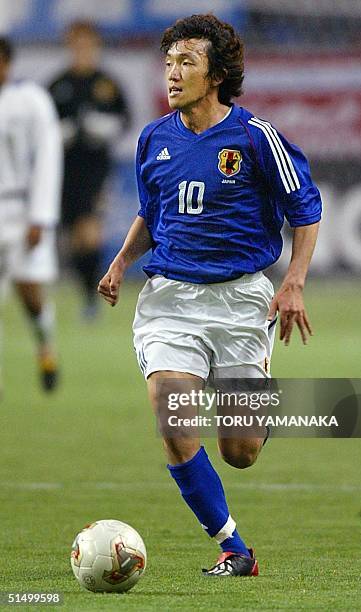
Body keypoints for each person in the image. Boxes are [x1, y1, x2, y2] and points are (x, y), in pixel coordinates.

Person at [98, 14, 321, 576]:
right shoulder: (153, 138)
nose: (173, 74)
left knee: (239, 452)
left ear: (217, 74)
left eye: (187, 63)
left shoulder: (253, 137)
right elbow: (153, 213)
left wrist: (293, 282)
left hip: (242, 300)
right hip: (170, 299)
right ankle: (233, 547)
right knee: (172, 414)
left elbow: (305, 210)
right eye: (169, 62)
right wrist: (123, 260)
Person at [49, 21, 130, 320]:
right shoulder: (58, 85)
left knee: (91, 232)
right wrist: (60, 132)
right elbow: (45, 125)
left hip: (96, 168)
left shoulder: (106, 83)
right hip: (65, 169)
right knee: (74, 239)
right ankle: (86, 291)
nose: (82, 50)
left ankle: (93, 297)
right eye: (76, 44)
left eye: (87, 44)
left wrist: (104, 127)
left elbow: (124, 118)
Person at [0, 37, 62, 392]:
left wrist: (40, 216)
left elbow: (48, 159)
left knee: (29, 293)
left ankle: (45, 346)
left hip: (20, 208)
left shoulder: (31, 101)